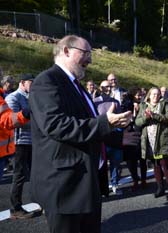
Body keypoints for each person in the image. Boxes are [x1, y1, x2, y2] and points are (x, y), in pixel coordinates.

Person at [29, 35, 137, 233]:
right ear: (67, 51)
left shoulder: (77, 86)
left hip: (85, 181)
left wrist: (117, 137)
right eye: (86, 53)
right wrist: (105, 122)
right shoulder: (47, 81)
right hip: (64, 185)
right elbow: (55, 125)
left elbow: (88, 123)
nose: (90, 60)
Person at [135, 87, 168, 200]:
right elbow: (137, 122)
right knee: (156, 165)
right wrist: (146, 117)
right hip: (149, 140)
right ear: (149, 95)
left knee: (165, 164)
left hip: (162, 139)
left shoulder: (164, 104)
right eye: (153, 94)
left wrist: (155, 115)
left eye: (158, 94)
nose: (155, 96)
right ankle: (160, 188)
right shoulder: (143, 105)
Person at [5, 73, 36, 219]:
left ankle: (39, 202)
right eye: (31, 83)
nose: (33, 86)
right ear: (22, 83)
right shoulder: (13, 98)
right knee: (19, 175)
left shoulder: (30, 98)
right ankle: (15, 208)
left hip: (32, 142)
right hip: (19, 143)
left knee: (35, 174)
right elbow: (13, 122)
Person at [93, 80, 124, 195]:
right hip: (101, 138)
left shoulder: (115, 102)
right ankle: (103, 188)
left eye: (109, 87)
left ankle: (115, 184)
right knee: (101, 164)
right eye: (105, 87)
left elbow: (120, 119)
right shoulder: (94, 102)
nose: (108, 89)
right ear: (100, 88)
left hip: (114, 136)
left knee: (115, 162)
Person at [122, 87, 148, 191]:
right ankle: (135, 179)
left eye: (141, 95)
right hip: (129, 134)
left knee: (142, 159)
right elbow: (123, 118)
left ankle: (143, 180)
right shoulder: (126, 104)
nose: (139, 97)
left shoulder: (143, 105)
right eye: (137, 95)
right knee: (130, 161)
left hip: (140, 133)